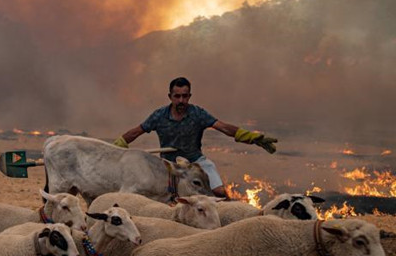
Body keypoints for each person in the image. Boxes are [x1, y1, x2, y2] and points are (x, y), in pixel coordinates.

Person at [114, 76, 277, 198]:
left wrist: (251, 137)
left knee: (219, 193)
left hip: (196, 163)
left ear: (189, 96)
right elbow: (136, 132)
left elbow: (223, 127)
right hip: (170, 167)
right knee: (156, 197)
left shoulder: (197, 113)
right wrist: (116, 146)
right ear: (170, 96)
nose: (181, 100)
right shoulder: (159, 116)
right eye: (177, 96)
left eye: (185, 96)